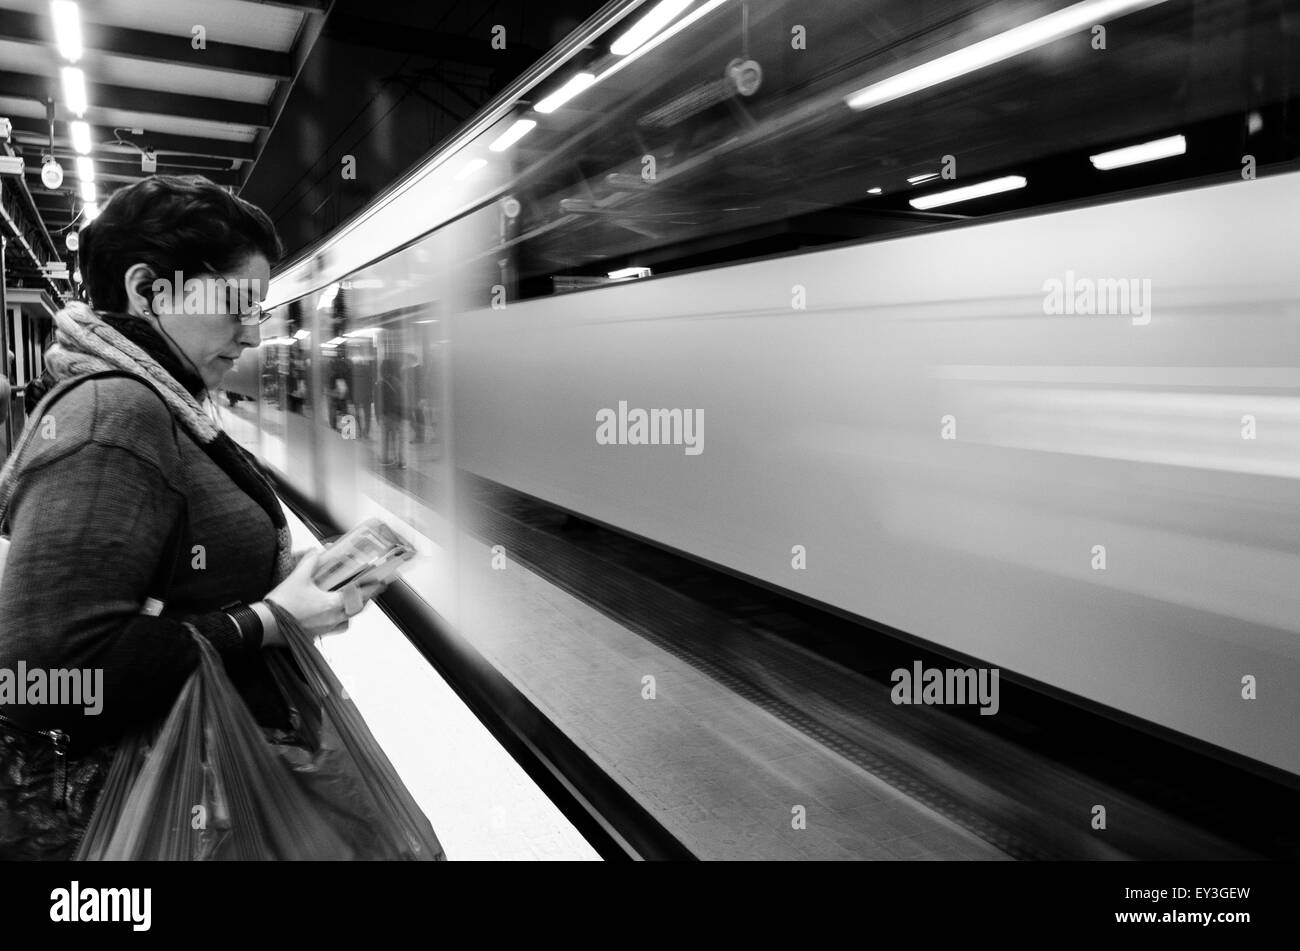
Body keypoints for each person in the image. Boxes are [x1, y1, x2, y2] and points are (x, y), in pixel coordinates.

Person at [0, 174, 387, 860]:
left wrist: (288, 581)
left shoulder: (165, 402)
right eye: (238, 302)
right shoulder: (113, 414)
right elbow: (46, 672)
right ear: (149, 289)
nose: (252, 330)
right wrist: (270, 620)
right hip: (158, 812)